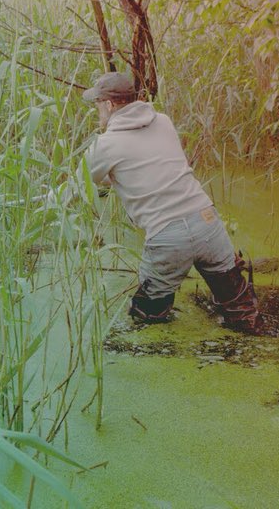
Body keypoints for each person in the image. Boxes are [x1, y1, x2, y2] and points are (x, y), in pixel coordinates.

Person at [82, 72, 262, 333]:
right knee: (241, 310)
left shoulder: (104, 145)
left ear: (109, 105)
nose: (97, 110)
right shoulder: (163, 122)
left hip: (168, 238)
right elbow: (154, 169)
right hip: (207, 222)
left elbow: (74, 189)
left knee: (147, 318)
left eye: (97, 103)